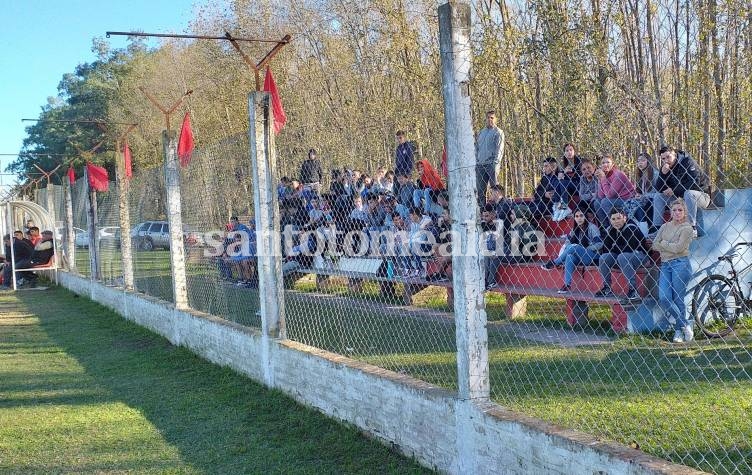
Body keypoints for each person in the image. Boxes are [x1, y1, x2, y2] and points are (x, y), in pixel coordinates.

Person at [651, 198, 694, 343]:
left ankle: (678, 331)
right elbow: (654, 245)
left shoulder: (687, 228)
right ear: (670, 211)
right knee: (664, 297)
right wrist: (668, 244)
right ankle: (685, 324)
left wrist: (664, 243)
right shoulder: (664, 226)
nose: (676, 212)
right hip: (665, 265)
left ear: (685, 212)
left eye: (680, 210)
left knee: (678, 299)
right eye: (674, 210)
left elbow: (679, 248)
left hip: (681, 264)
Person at [653, 145, 710, 235]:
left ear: (675, 154)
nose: (666, 160)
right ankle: (657, 229)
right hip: (680, 198)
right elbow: (659, 189)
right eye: (663, 159)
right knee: (658, 197)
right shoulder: (665, 167)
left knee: (689, 193)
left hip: (701, 197)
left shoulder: (687, 161)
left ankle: (691, 228)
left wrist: (674, 190)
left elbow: (694, 183)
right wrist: (662, 175)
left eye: (668, 157)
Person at [541, 210, 602, 293]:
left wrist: (584, 249)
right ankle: (567, 285)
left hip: (593, 256)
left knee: (574, 247)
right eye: (576, 216)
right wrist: (569, 251)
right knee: (569, 256)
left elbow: (599, 244)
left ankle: (555, 262)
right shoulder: (575, 229)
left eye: (581, 216)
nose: (579, 218)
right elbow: (567, 243)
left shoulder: (592, 227)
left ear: (585, 217)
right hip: (580, 257)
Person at [594, 207, 647, 301]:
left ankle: (633, 289)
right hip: (623, 257)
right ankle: (607, 287)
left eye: (619, 218)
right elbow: (606, 248)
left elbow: (629, 247)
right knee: (604, 257)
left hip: (640, 256)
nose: (616, 221)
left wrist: (614, 247)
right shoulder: (612, 229)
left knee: (622, 256)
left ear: (625, 218)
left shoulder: (630, 227)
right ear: (610, 220)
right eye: (613, 219)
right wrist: (614, 246)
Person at [594, 154, 635, 228]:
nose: (605, 164)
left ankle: (613, 226)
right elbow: (601, 195)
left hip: (627, 199)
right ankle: (606, 227)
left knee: (605, 202)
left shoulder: (618, 175)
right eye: (603, 163)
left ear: (613, 164)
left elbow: (609, 195)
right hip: (615, 199)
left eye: (608, 162)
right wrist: (600, 180)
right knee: (597, 202)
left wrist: (603, 179)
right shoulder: (605, 175)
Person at [475, 110, 505, 206]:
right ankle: (483, 212)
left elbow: (499, 149)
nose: (489, 119)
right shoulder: (481, 133)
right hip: (480, 165)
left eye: (492, 117)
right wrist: (477, 160)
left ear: (495, 119)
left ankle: (498, 210)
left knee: (495, 189)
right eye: (488, 117)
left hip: (491, 164)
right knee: (480, 190)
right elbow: (476, 148)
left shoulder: (498, 132)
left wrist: (496, 164)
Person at [629, 152, 658, 224]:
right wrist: (638, 195)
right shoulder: (641, 175)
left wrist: (644, 196)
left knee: (637, 206)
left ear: (648, 161)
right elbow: (640, 191)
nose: (640, 163)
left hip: (653, 199)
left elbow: (658, 193)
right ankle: (636, 225)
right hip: (644, 199)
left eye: (643, 160)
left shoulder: (655, 174)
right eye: (638, 161)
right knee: (629, 203)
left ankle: (643, 227)